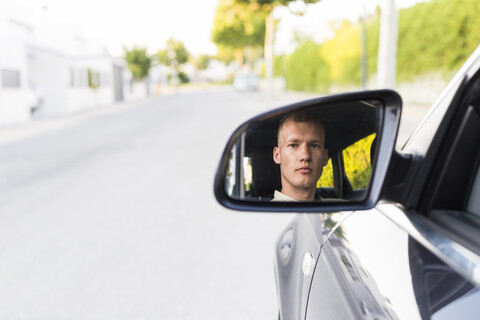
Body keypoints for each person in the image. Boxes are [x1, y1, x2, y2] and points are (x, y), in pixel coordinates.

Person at [272, 111, 328, 201]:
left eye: (314, 146)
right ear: (277, 155)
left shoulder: (343, 211)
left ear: (325, 157)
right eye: (293, 145)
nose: (305, 156)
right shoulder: (260, 215)